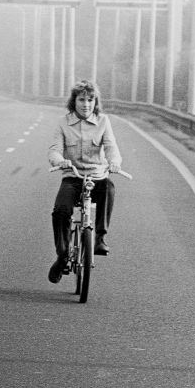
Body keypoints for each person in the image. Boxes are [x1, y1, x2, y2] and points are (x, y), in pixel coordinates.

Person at [47, 79, 122, 283]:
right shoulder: (63, 123)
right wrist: (60, 161)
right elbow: (54, 149)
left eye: (90, 100)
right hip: (73, 177)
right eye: (81, 99)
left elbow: (111, 147)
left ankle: (99, 238)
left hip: (97, 176)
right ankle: (62, 255)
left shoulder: (103, 121)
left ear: (95, 102)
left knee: (109, 188)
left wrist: (114, 163)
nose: (86, 104)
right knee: (61, 210)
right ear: (74, 101)